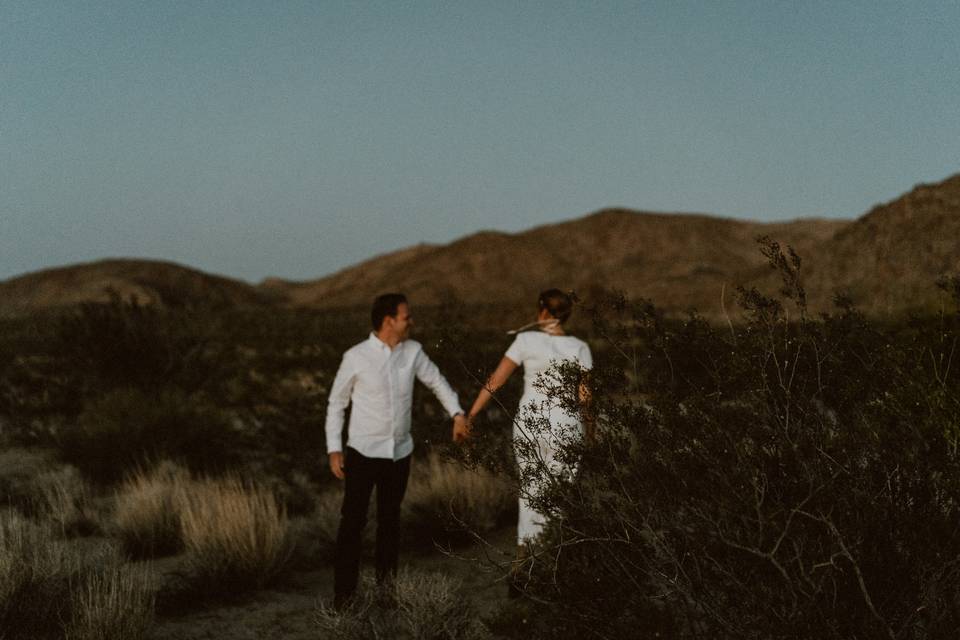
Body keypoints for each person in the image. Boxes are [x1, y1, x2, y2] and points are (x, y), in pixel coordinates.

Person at [325, 293, 468, 607]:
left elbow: (437, 382)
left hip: (399, 453)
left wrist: (457, 413)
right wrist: (334, 449)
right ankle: (344, 596)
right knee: (353, 523)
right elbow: (337, 403)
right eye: (407, 316)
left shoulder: (413, 352)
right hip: (362, 453)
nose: (412, 321)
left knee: (390, 523)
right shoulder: (356, 356)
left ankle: (386, 592)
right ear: (388, 320)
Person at [459, 289, 593, 589]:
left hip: (530, 428)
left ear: (543, 311)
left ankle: (523, 565)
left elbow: (496, 380)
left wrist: (472, 414)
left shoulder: (526, 340)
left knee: (531, 493)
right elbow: (585, 398)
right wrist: (592, 433)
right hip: (568, 427)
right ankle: (552, 567)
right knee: (560, 497)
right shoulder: (580, 347)